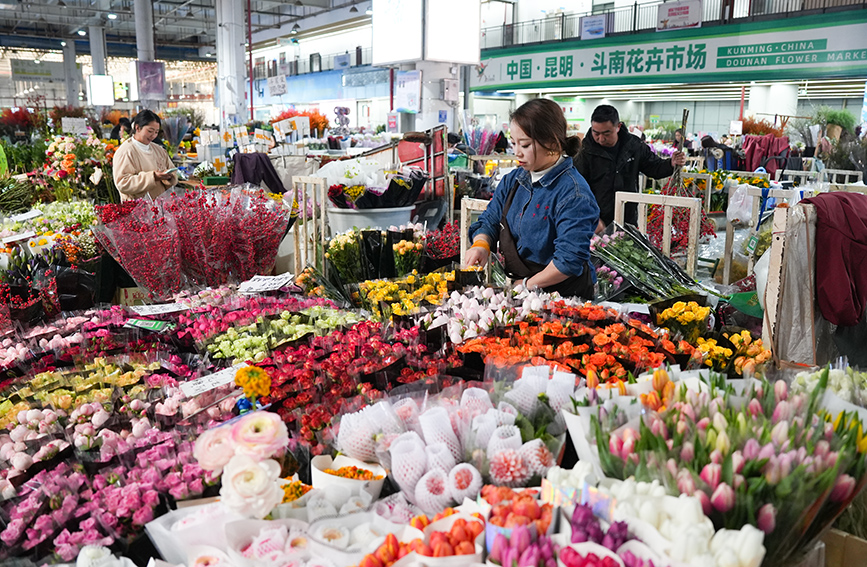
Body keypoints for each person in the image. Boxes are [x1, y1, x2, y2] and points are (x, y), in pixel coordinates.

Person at [466, 99, 599, 298]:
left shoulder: (574, 194)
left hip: (564, 297)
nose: (517, 152)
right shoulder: (513, 180)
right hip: (524, 290)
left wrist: (526, 284)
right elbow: (490, 219)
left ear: (552, 142)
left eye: (525, 145)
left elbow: (568, 260)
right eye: (513, 143)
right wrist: (481, 244)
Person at [574, 105, 686, 231]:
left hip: (627, 219)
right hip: (595, 222)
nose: (601, 138)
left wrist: (671, 163)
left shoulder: (633, 146)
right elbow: (576, 187)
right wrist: (589, 216)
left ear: (618, 127)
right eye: (596, 133)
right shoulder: (584, 151)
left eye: (606, 133)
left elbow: (654, 167)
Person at [112, 110, 178, 202]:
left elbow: (173, 172)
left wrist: (169, 177)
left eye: (156, 132)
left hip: (160, 205)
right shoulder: (126, 151)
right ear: (137, 128)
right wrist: (153, 177)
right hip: (137, 208)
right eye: (150, 131)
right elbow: (122, 183)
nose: (153, 136)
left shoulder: (159, 150)